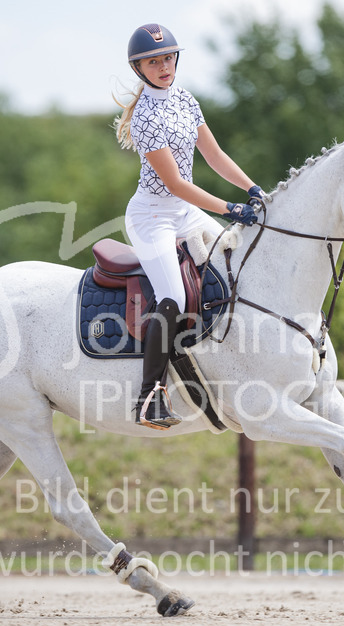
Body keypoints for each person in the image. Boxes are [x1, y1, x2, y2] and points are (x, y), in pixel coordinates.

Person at [114, 23, 263, 430]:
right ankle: (149, 397)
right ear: (139, 68)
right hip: (152, 217)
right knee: (174, 298)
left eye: (167, 58)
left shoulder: (184, 99)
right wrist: (230, 207)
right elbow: (177, 183)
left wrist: (252, 188)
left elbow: (214, 156)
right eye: (153, 61)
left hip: (185, 209)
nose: (163, 66)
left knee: (236, 261)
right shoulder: (146, 116)